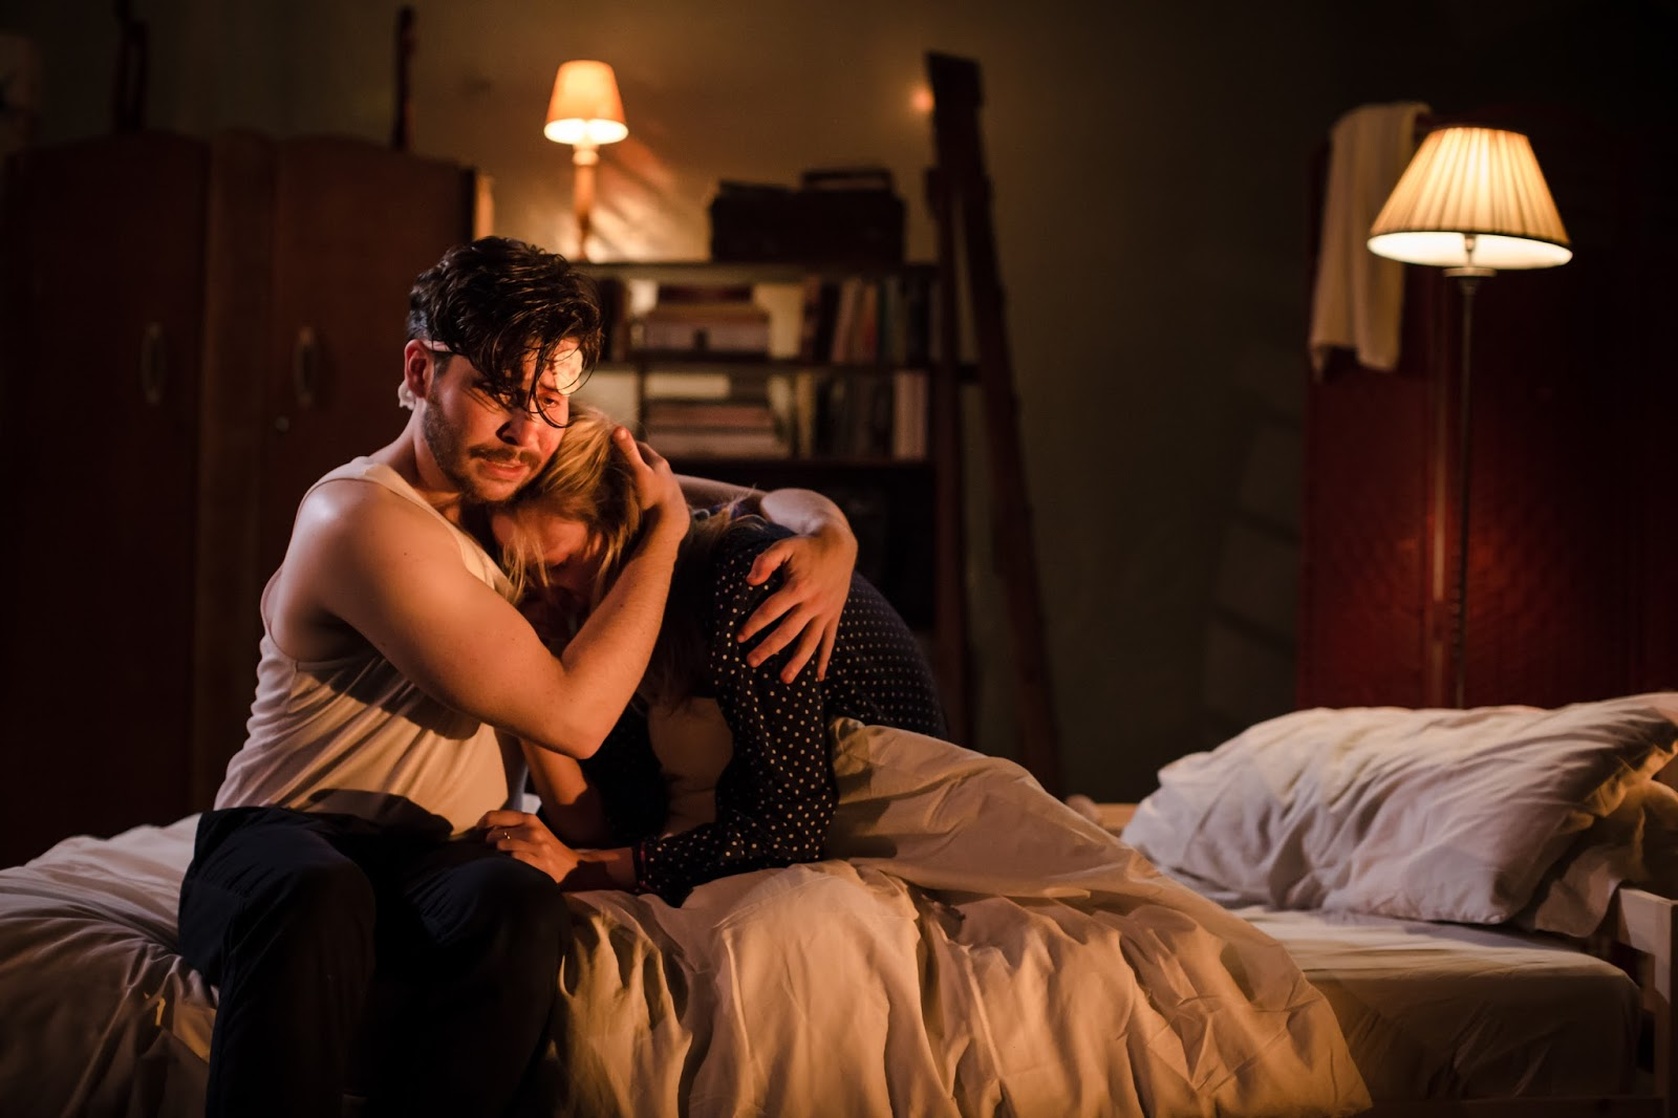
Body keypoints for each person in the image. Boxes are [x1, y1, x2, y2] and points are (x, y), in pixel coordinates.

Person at [175, 236, 858, 1118]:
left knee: (519, 901)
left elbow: (744, 500)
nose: (526, 433)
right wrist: (659, 539)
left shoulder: (516, 493)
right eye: (498, 392)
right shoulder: (359, 517)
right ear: (420, 373)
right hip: (283, 841)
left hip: (431, 861)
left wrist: (831, 536)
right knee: (320, 893)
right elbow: (574, 716)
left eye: (549, 402)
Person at [476, 402, 948, 905]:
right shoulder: (623, 617)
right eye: (525, 570)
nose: (545, 592)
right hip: (737, 864)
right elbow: (616, 817)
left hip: (886, 859)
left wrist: (586, 868)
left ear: (621, 524)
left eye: (558, 565)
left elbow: (789, 830)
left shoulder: (751, 580)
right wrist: (529, 666)